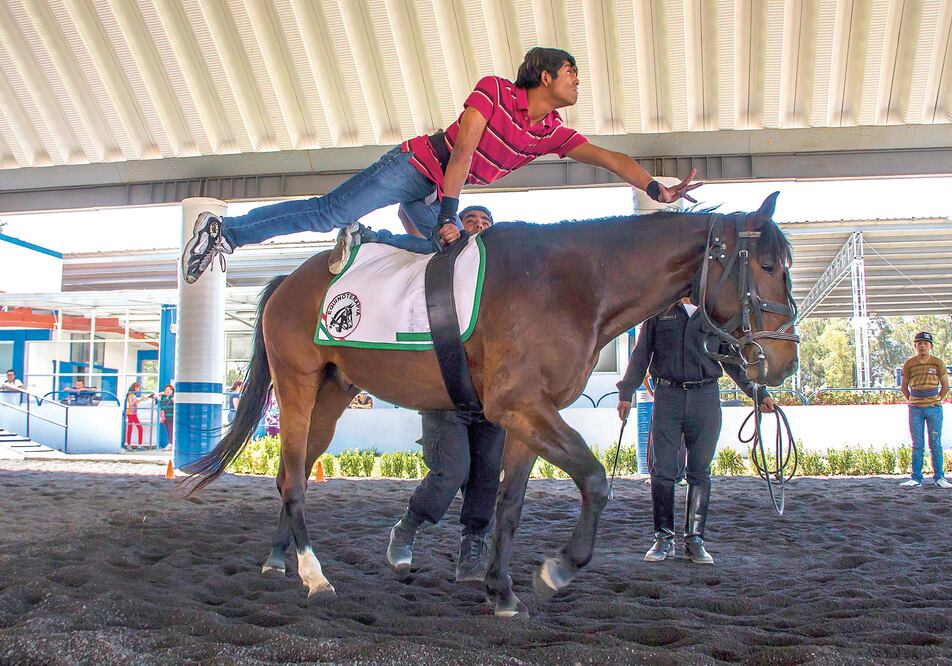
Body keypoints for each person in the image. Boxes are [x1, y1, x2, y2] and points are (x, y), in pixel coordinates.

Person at [181, 47, 702, 284]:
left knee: (451, 257)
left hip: (439, 193)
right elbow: (464, 152)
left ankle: (368, 244)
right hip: (418, 168)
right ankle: (224, 231)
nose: (577, 82)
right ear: (542, 74)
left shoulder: (550, 133)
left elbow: (608, 157)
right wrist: (450, 211)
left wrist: (655, 189)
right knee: (328, 212)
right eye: (571, 72)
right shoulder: (495, 91)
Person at [385, 205, 505, 582]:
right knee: (451, 471)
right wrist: (441, 231)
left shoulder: (501, 281)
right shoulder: (438, 259)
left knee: (487, 474)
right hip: (444, 388)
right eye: (472, 221)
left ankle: (473, 543)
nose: (479, 227)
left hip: (489, 396)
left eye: (486, 223)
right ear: (456, 227)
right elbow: (408, 207)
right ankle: (408, 525)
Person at [617, 298, 776, 566]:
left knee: (700, 471)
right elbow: (641, 354)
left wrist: (758, 392)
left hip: (706, 397)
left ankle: (695, 541)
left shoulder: (715, 315)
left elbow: (732, 362)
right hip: (668, 396)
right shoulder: (659, 310)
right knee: (662, 470)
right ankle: (663, 538)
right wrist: (626, 392)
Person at [899, 331, 951, 488]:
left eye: (925, 343)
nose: (922, 346)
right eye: (919, 343)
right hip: (915, 409)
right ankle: (916, 478)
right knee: (917, 444)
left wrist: (935, 400)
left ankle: (939, 477)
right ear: (915, 346)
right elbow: (903, 387)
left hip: (934, 409)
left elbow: (945, 386)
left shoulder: (938, 363)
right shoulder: (909, 363)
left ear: (930, 346)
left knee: (935, 442)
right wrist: (913, 400)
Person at [124, 381, 148, 449]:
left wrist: (141, 399)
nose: (138, 389)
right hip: (131, 413)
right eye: (137, 388)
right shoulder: (131, 395)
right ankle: (134, 445)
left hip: (133, 413)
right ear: (135, 388)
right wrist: (136, 400)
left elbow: (135, 403)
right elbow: (131, 404)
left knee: (132, 428)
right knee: (136, 428)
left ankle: (133, 444)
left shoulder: (133, 395)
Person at [156, 384, 175, 449]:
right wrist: (162, 393)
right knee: (168, 430)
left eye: (169, 389)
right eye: (166, 389)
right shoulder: (163, 397)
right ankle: (170, 443)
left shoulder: (172, 397)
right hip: (165, 417)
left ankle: (171, 444)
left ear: (172, 391)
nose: (168, 391)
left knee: (171, 430)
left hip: (171, 416)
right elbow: (155, 396)